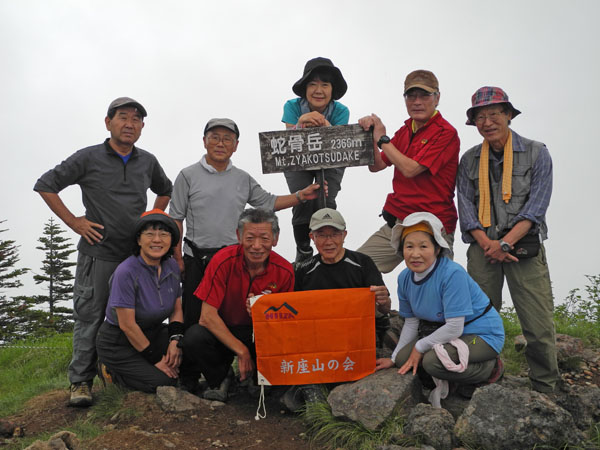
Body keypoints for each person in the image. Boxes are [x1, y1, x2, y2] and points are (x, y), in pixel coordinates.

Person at [34, 97, 172, 407]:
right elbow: (45, 184)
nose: (129, 124)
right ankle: (80, 381)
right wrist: (74, 222)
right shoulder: (88, 157)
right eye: (123, 117)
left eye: (136, 119)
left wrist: (150, 220)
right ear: (108, 122)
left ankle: (116, 374)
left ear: (142, 127)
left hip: (136, 259)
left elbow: (165, 190)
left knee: (132, 318)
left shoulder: (147, 161)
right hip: (98, 254)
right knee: (91, 316)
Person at [169, 118, 324, 330]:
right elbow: (176, 218)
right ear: (204, 141)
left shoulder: (243, 178)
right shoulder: (187, 176)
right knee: (196, 321)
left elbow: (268, 202)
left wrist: (300, 196)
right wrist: (177, 258)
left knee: (233, 318)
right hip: (197, 260)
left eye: (227, 139)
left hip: (233, 261)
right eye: (215, 138)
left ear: (236, 146)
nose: (220, 143)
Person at [456, 86, 559, 393]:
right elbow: (466, 207)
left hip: (522, 247)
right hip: (482, 249)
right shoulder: (469, 160)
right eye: (480, 117)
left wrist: (504, 244)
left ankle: (545, 386)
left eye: (494, 114)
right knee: (477, 320)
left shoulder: (537, 152)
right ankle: (480, 378)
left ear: (509, 115)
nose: (487, 122)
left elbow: (536, 207)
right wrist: (488, 244)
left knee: (537, 323)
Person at [375, 212, 505, 401]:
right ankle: (454, 375)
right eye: (409, 246)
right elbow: (411, 322)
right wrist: (394, 358)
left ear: (437, 249)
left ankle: (489, 368)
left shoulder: (451, 273)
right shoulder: (405, 278)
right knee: (403, 360)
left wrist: (420, 347)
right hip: (447, 333)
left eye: (423, 246)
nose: (415, 254)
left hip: (481, 335)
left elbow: (455, 326)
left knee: (432, 362)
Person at [179, 208, 294, 401]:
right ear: (239, 236)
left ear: (275, 239)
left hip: (260, 335)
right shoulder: (222, 260)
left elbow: (286, 324)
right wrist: (242, 351)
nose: (256, 246)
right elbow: (207, 317)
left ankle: (259, 378)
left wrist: (262, 314)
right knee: (194, 337)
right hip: (223, 330)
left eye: (264, 238)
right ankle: (222, 377)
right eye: (250, 238)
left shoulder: (285, 270)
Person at [283, 208, 392, 409]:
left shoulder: (362, 263)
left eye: (334, 234)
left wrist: (383, 300)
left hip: (357, 339)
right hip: (318, 342)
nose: (328, 241)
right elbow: (292, 311)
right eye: (321, 235)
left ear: (344, 235)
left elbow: (385, 308)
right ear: (312, 238)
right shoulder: (303, 269)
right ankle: (311, 393)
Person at [357, 70, 459, 273]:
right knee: (355, 268)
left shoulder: (446, 132)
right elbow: (376, 165)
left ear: (437, 98)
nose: (417, 102)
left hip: (432, 226)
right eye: (411, 96)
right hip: (399, 222)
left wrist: (382, 139)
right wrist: (371, 136)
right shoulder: (406, 130)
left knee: (436, 284)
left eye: (424, 95)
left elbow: (410, 169)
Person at [96, 210, 183, 392]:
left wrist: (175, 340)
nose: (157, 240)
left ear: (171, 240)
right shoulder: (126, 272)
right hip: (118, 342)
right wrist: (156, 360)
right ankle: (111, 371)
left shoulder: (172, 267)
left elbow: (176, 310)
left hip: (152, 332)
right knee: (164, 382)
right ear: (138, 240)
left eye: (164, 234)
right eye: (149, 234)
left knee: (187, 357)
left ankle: (145, 365)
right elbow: (127, 325)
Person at [282, 57, 350, 264]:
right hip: (298, 157)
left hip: (331, 158)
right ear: (305, 88)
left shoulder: (341, 111)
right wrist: (300, 123)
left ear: (332, 89)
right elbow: (288, 140)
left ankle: (329, 248)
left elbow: (339, 143)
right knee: (301, 198)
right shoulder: (292, 106)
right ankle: (303, 248)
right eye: (312, 84)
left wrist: (327, 126)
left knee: (326, 198)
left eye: (325, 84)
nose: (318, 90)